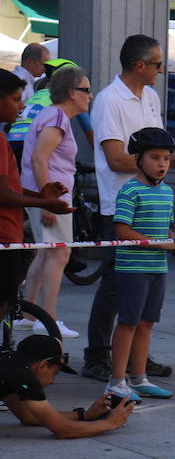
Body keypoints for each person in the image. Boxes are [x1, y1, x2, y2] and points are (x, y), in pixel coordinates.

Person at [83, 34, 175, 382]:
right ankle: (97, 355)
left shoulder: (150, 96)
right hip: (121, 203)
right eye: (157, 64)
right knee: (115, 284)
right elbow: (115, 158)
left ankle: (135, 359)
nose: (161, 70)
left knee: (148, 286)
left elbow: (157, 147)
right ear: (140, 65)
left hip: (153, 201)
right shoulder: (110, 101)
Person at [107, 128, 175, 401]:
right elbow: (122, 231)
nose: (162, 163)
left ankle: (139, 378)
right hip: (133, 268)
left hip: (157, 268)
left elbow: (164, 229)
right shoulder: (130, 190)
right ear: (138, 159)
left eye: (166, 158)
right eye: (155, 157)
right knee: (128, 322)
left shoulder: (166, 192)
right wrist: (161, 243)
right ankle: (116, 381)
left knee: (146, 323)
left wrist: (174, 242)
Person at [17, 66, 91, 338]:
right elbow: (40, 158)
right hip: (51, 197)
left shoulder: (53, 115)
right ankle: (47, 318)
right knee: (59, 252)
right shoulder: (57, 118)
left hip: (45, 196)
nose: (90, 96)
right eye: (86, 90)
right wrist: (49, 201)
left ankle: (29, 315)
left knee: (46, 252)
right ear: (72, 93)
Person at [0, 68, 71, 328]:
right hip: (3, 236)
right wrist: (45, 203)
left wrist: (42, 194)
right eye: (15, 99)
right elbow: (3, 194)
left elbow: (11, 188)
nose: (22, 106)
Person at [1, 334, 134, 438]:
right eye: (55, 373)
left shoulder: (10, 365)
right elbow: (63, 431)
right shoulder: (24, 375)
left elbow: (29, 417)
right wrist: (111, 423)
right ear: (41, 366)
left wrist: (86, 415)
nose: (52, 381)